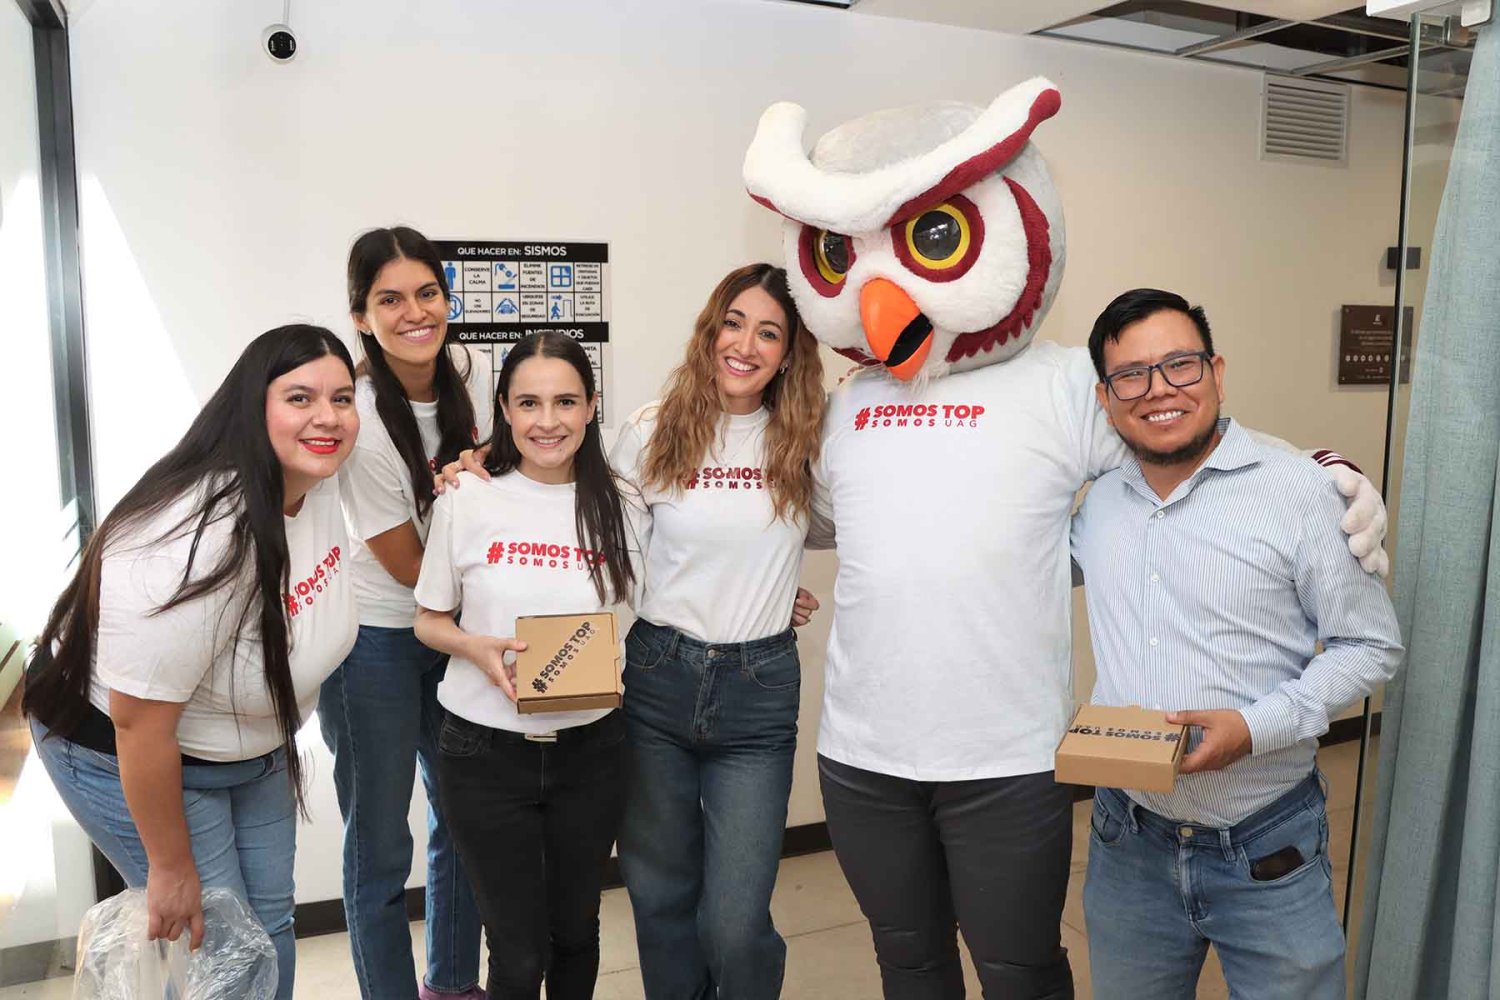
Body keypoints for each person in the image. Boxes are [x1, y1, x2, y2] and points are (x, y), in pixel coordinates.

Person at [1071, 289, 1402, 1000]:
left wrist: (1254, 728)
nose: (1159, 390)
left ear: (1216, 372)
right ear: (1106, 398)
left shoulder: (1300, 493)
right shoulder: (1099, 504)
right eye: (1131, 375)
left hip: (1266, 841)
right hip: (1127, 837)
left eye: (1180, 365)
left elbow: (1370, 645)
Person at [24, 325, 361, 1000]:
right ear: (253, 406)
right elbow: (139, 725)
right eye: (300, 397)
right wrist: (170, 866)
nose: (327, 416)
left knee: (267, 927)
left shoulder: (318, 482)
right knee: (214, 945)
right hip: (128, 747)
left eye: (343, 398)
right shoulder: (195, 535)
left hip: (250, 746)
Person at [608, 263, 825, 998]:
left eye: (768, 333)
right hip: (658, 677)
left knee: (734, 920)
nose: (745, 344)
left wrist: (770, 585)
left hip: (757, 692)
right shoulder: (650, 430)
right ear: (710, 330)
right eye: (733, 323)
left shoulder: (805, 440)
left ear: (789, 354)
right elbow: (610, 550)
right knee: (659, 895)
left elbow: (842, 523)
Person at [413, 331, 645, 1000]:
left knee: (575, 934)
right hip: (484, 754)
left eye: (566, 402)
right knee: (517, 956)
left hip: (591, 751)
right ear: (504, 410)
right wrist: (474, 648)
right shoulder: (467, 497)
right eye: (529, 403)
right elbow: (428, 620)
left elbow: (666, 597)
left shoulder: (625, 504)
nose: (548, 421)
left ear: (592, 406)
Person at [317, 226, 487, 1000]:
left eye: (427, 293)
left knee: (465, 819)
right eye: (390, 299)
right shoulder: (358, 417)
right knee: (380, 847)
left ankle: (451, 985)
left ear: (447, 299)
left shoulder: (470, 372)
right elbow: (413, 569)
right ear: (361, 316)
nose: (414, 312)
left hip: (449, 630)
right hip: (376, 643)